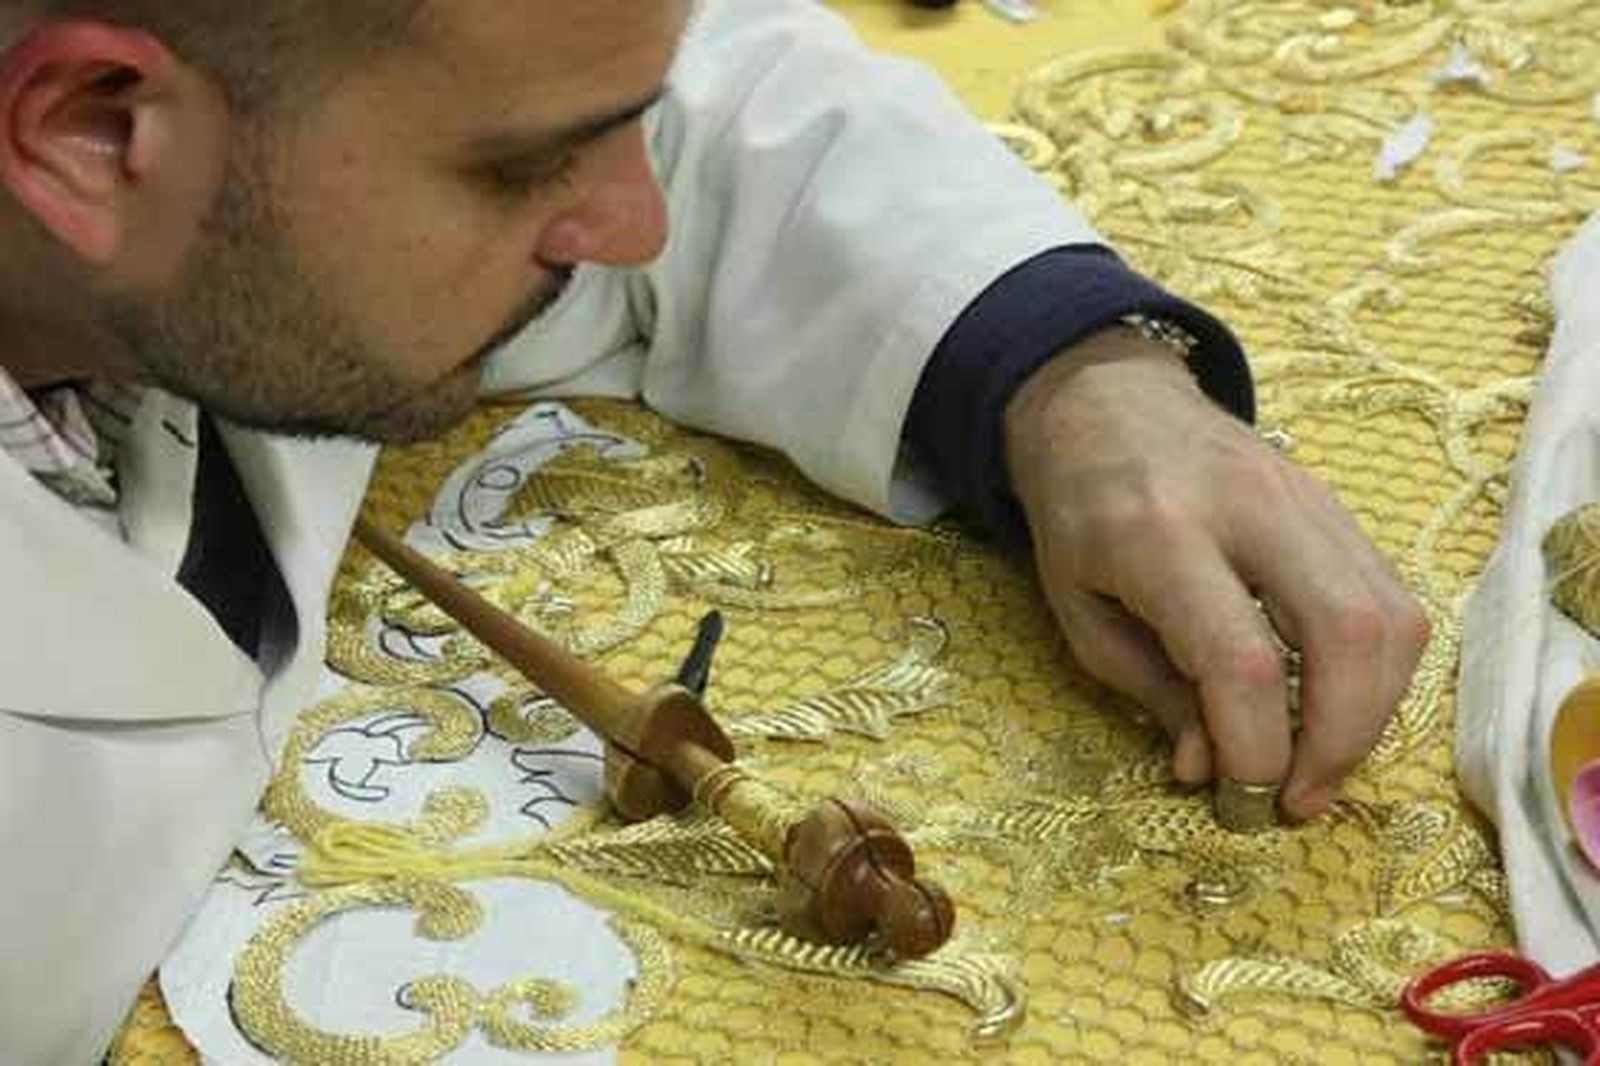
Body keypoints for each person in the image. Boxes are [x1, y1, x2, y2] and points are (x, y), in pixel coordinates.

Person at [0, 0, 1430, 1060]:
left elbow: (652, 78)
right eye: (522, 171)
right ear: (91, 133)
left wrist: (1073, 382)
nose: (636, 218)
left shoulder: (213, 164)